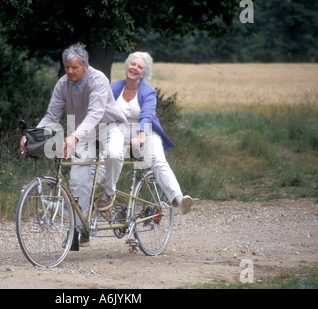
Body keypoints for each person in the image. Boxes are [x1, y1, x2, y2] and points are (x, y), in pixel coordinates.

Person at [20, 43, 128, 246]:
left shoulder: (98, 79)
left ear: (85, 66)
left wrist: (74, 137)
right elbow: (52, 115)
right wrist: (31, 135)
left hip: (109, 126)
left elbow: (95, 113)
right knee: (78, 181)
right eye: (66, 67)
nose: (69, 71)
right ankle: (80, 231)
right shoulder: (63, 84)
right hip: (83, 133)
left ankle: (109, 192)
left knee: (114, 153)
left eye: (74, 67)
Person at [110, 51, 193, 214]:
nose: (134, 68)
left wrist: (141, 138)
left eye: (139, 67)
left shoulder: (148, 92)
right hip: (120, 132)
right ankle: (104, 196)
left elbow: (146, 115)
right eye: (132, 64)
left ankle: (179, 199)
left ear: (144, 73)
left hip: (146, 132)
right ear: (126, 65)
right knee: (107, 156)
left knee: (156, 159)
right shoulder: (113, 88)